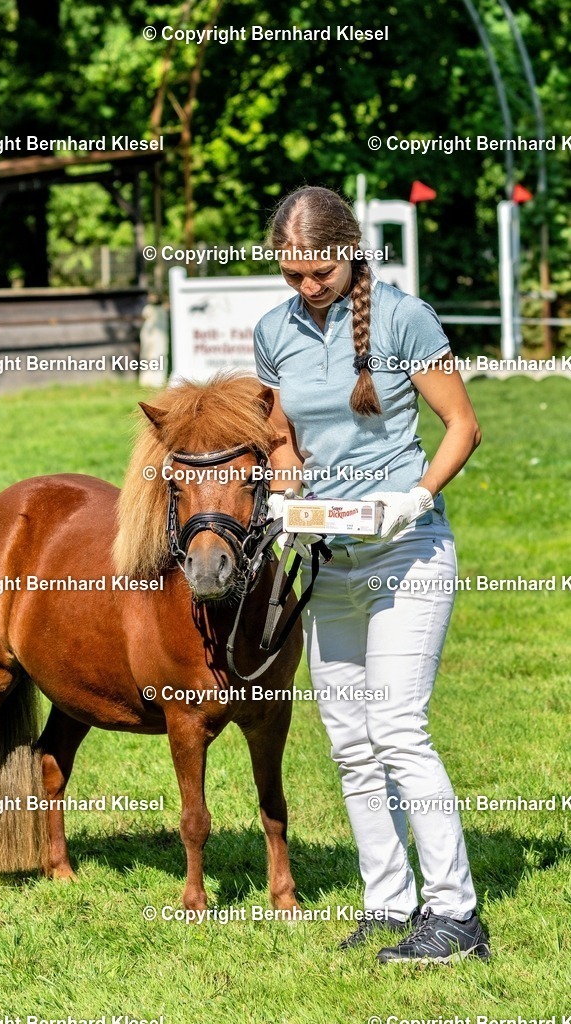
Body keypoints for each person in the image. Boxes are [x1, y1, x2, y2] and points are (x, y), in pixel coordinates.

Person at [253, 185, 490, 964]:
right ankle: (387, 905)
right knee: (350, 742)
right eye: (291, 276)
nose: (305, 288)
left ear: (349, 253)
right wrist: (288, 497)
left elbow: (463, 425)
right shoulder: (272, 332)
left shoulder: (401, 317)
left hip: (406, 551)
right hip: (326, 559)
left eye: (317, 274)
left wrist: (412, 499)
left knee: (395, 727)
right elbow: (282, 439)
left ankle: (454, 915)